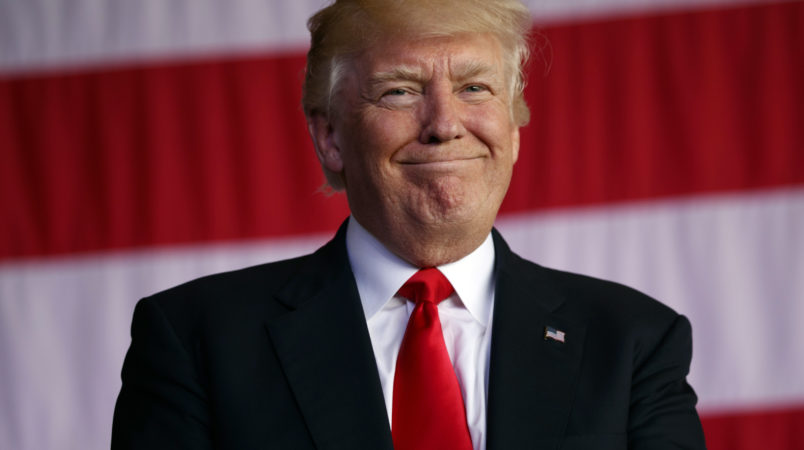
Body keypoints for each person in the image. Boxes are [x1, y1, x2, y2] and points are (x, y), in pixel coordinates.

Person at [112, 0, 706, 448]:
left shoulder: (634, 343)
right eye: (399, 92)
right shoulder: (194, 341)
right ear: (330, 137)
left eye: (475, 87)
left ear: (515, 127)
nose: (444, 124)